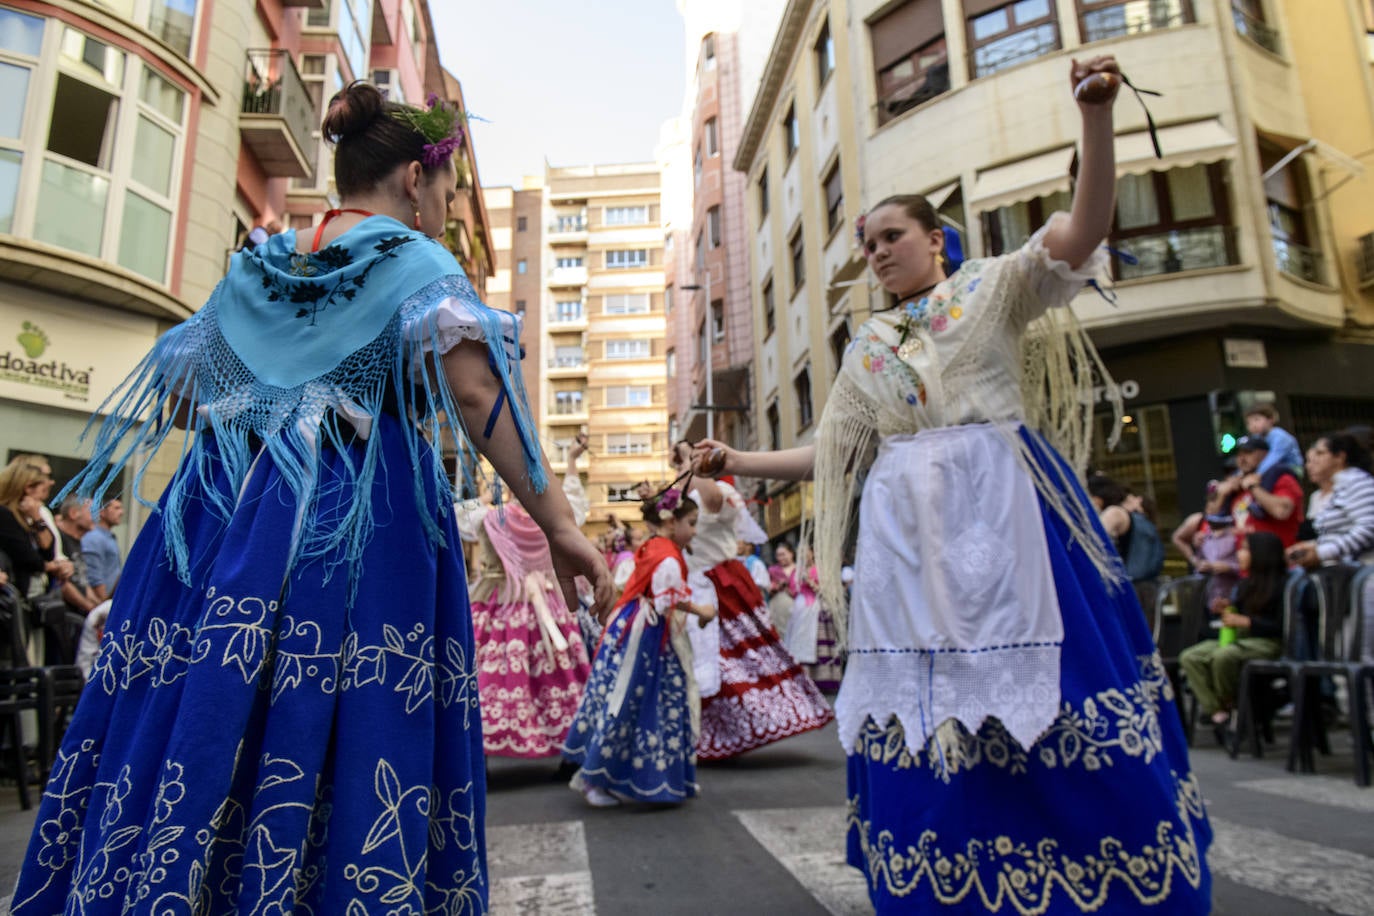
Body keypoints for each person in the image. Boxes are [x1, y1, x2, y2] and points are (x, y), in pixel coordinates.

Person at [12, 82, 612, 914]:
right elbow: (478, 397)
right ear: (412, 178)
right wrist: (560, 524)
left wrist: (283, 388)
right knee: (345, 716)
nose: (441, 208)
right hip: (355, 526)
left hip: (226, 518)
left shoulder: (258, 265)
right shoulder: (416, 263)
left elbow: (187, 394)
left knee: (213, 708)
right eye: (443, 192)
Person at [695, 56, 1209, 913]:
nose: (876, 252)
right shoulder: (869, 347)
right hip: (907, 548)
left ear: (937, 238)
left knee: (1054, 698)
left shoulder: (994, 288)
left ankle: (1100, 881)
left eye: (890, 235)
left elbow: (1082, 232)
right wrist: (737, 463)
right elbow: (834, 451)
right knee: (925, 716)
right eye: (866, 244)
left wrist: (1095, 117)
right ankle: (948, 885)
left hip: (1014, 522)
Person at [668, 442, 832, 760]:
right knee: (704, 663)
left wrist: (693, 462)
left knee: (738, 661)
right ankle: (712, 734)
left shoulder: (718, 492)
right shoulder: (682, 496)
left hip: (722, 586)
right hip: (695, 586)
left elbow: (713, 502)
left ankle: (750, 725)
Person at [561, 485, 715, 807]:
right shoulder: (667, 554)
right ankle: (599, 779)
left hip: (640, 631)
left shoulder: (653, 546)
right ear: (672, 521)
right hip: (644, 637)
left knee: (647, 705)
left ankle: (632, 777)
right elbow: (665, 599)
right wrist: (702, 610)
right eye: (691, 522)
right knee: (632, 702)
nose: (695, 530)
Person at [455, 437, 593, 761]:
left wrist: (488, 496)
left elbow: (455, 514)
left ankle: (483, 751)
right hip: (550, 607)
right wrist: (572, 460)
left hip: (499, 605)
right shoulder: (554, 521)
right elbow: (578, 505)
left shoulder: (490, 518)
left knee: (490, 676)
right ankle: (570, 748)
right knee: (560, 676)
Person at [1178, 532, 1287, 745]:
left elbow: (1280, 627)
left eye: (1245, 549)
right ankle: (1219, 713)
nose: (1240, 553)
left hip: (1266, 642)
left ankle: (1232, 704)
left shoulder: (1283, 585)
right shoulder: (1245, 585)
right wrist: (1227, 609)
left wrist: (1246, 622)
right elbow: (1238, 616)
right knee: (1190, 657)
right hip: (1240, 640)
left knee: (1224, 656)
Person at [1287, 430, 1374, 568]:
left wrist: (1321, 553)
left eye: (1320, 453)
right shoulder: (1339, 486)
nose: (1313, 460)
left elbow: (1368, 529)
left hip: (1362, 572)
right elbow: (1333, 535)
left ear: (1340, 457)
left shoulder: (1358, 482)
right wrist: (1310, 548)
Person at [1211, 435, 1305, 548]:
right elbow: (1212, 523)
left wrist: (1254, 488)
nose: (1241, 458)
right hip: (1245, 563)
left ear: (1265, 454)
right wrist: (1221, 494)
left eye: (1248, 452)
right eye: (1239, 454)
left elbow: (1282, 511)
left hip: (1278, 560)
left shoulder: (1281, 478)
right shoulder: (1236, 486)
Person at [0, 456, 72, 600]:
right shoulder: (5, 515)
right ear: (27, 488)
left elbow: (48, 552)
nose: (41, 501)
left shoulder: (32, 516)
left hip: (34, 594)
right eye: (41, 492)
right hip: (16, 595)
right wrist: (50, 566)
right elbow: (30, 559)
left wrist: (37, 519)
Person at [781, 545, 843, 692]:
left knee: (817, 643)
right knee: (797, 642)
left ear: (812, 553)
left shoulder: (820, 569)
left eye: (805, 552)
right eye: (799, 552)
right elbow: (794, 591)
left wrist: (809, 581)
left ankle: (822, 680)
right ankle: (802, 679)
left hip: (816, 609)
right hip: (800, 609)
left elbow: (826, 591)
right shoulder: (797, 570)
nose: (802, 555)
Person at [82, 497, 124, 602]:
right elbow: (93, 574)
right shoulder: (94, 537)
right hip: (99, 603)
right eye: (116, 508)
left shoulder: (108, 537)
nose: (121, 512)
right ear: (102, 512)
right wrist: (102, 602)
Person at [1245, 403, 1303, 477]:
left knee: (1273, 470)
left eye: (1256, 419)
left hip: (1292, 468)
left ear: (1270, 419)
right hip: (1269, 468)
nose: (1253, 425)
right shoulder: (1256, 437)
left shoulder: (1280, 437)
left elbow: (1272, 459)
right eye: (1249, 423)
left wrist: (1256, 475)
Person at [766, 542, 798, 635]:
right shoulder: (772, 570)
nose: (780, 558)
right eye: (778, 555)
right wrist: (777, 587)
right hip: (778, 610)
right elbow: (768, 590)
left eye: (783, 554)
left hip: (798, 606)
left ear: (791, 553)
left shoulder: (800, 569)